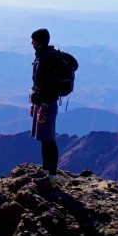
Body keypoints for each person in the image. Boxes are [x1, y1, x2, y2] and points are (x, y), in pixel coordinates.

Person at [28, 28, 70, 176]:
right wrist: (34, 102)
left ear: (39, 42)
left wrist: (42, 101)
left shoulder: (48, 59)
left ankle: (52, 175)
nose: (31, 42)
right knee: (44, 138)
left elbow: (47, 85)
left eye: (34, 40)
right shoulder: (42, 57)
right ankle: (46, 170)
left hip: (46, 104)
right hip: (42, 103)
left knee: (48, 139)